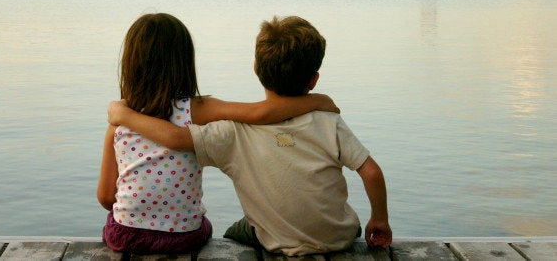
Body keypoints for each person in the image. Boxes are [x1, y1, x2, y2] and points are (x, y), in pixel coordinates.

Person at [107, 15, 392, 256]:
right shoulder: (329, 123)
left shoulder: (230, 133)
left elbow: (173, 143)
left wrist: (124, 116)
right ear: (313, 79)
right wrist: (317, 102)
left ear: (256, 69)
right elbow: (372, 173)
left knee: (237, 230)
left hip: (272, 241)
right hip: (337, 236)